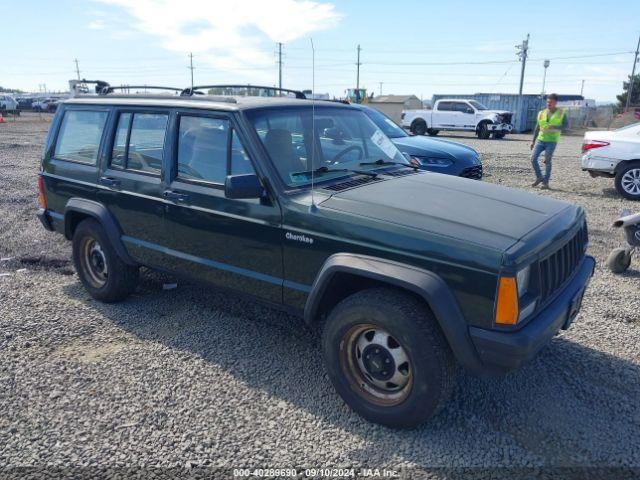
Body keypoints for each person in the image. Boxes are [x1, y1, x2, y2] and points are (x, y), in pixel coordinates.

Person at [530, 93, 568, 189]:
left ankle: (545, 183)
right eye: (547, 101)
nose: (548, 103)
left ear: (555, 102)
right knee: (533, 158)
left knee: (547, 161)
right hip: (540, 139)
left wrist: (556, 127)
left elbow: (566, 126)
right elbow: (537, 127)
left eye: (551, 102)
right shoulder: (541, 113)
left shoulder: (561, 113)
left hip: (552, 141)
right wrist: (533, 141)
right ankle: (539, 177)